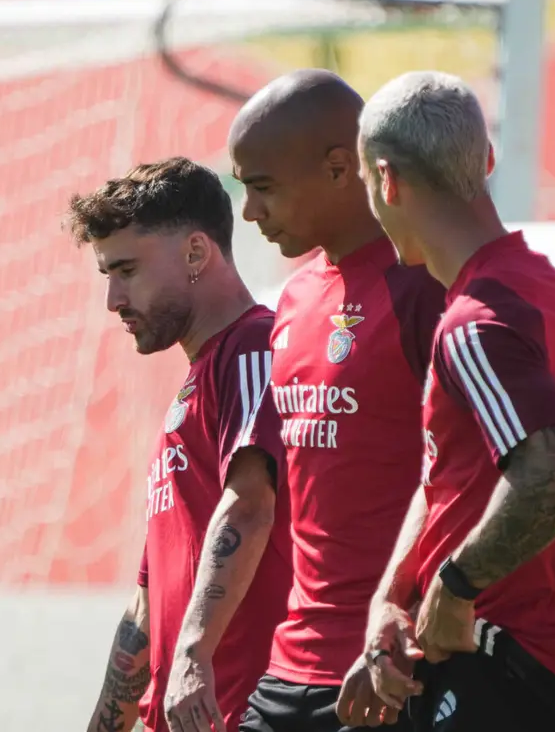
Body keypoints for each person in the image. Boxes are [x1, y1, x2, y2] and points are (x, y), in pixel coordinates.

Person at [356, 70, 555, 732]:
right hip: (518, 666)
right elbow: (452, 478)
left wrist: (455, 583)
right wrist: (394, 597)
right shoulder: (539, 282)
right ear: (487, 161)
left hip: (509, 664)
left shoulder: (474, 320)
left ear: (387, 180)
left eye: (365, 186)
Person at [228, 69, 446, 732]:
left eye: (262, 187)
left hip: (386, 668)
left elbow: (469, 476)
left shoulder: (425, 287)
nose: (249, 212)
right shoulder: (291, 299)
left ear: (336, 168)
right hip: (289, 663)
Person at [67, 158, 293, 732]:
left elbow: (251, 505)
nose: (113, 299)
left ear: (196, 253)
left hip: (243, 710)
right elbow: (149, 601)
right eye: (107, 276)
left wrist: (193, 657)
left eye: (127, 270)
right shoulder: (195, 389)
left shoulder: (252, 348)